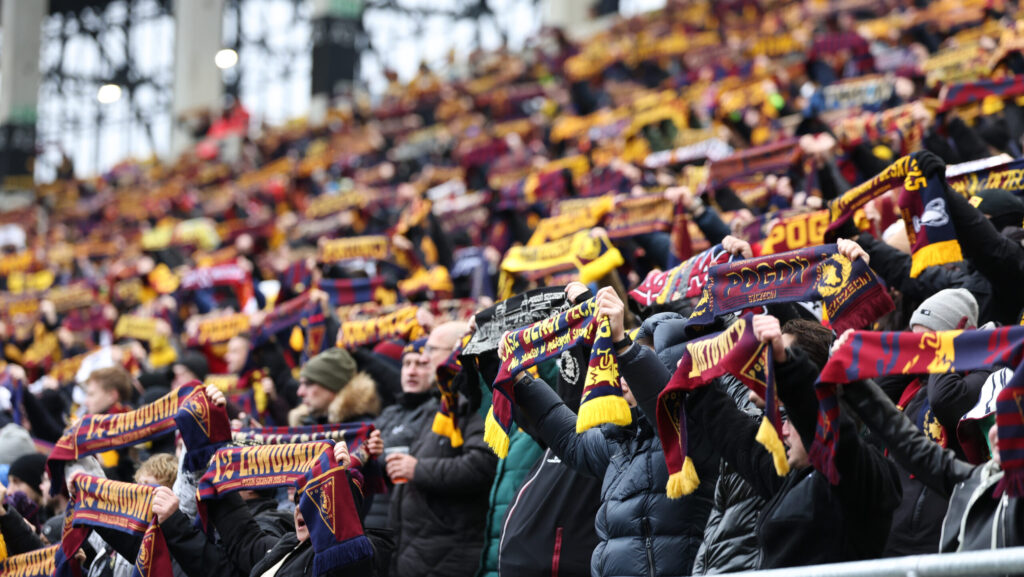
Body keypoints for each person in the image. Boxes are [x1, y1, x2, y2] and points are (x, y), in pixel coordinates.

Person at [507, 287, 715, 577]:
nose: (623, 373)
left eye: (641, 358)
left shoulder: (697, 428)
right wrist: (520, 381)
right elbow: (571, 441)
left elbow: (663, 403)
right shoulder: (624, 437)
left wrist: (624, 345)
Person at [682, 314, 902, 569]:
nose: (783, 429)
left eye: (792, 417)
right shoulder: (798, 476)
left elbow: (824, 427)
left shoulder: (858, 472)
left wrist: (787, 368)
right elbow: (740, 442)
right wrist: (696, 389)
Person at [366, 322, 498, 577]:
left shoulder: (476, 401)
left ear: (455, 351)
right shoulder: (445, 403)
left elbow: (483, 464)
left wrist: (418, 469)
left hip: (449, 555)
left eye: (431, 351)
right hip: (418, 553)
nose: (424, 359)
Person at [290, 347, 381, 427]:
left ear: (332, 385)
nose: (300, 392)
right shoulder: (307, 424)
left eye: (308, 384)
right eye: (300, 384)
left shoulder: (363, 431)